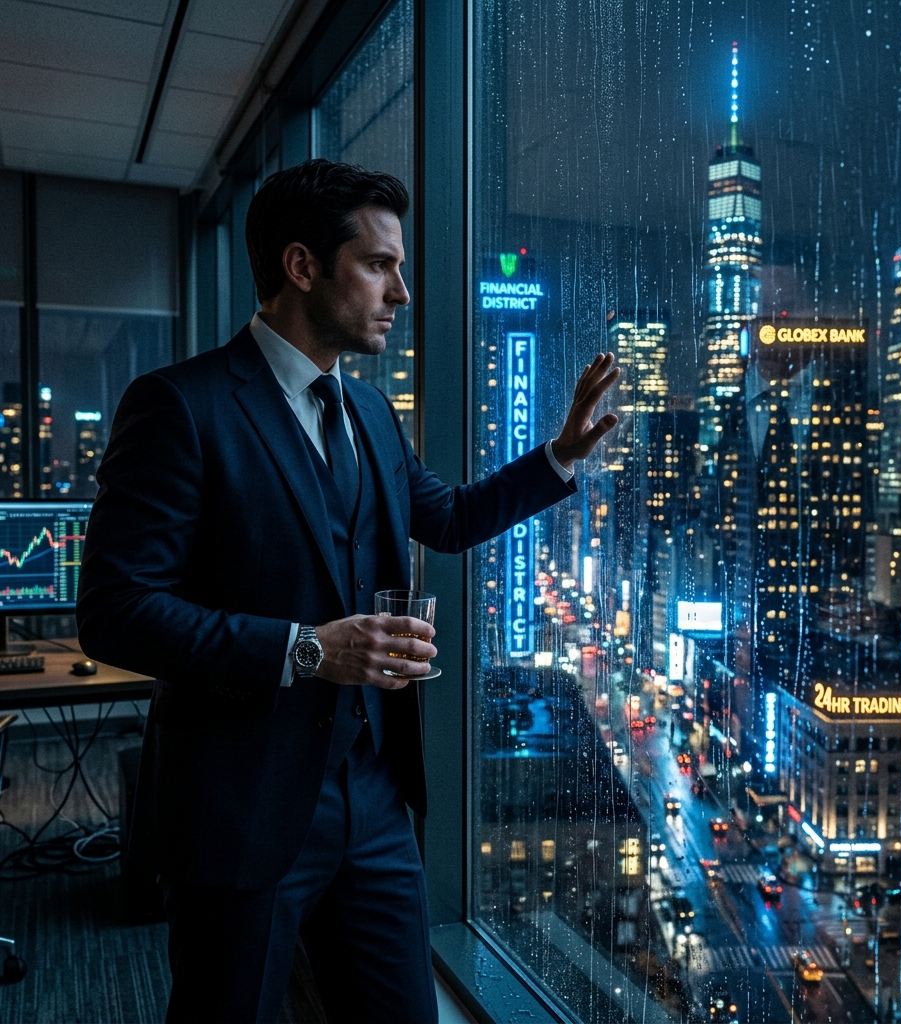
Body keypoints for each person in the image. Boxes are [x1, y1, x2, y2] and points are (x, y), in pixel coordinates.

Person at [76, 159, 619, 1024]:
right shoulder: (180, 406)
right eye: (379, 264)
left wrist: (557, 459)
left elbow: (446, 518)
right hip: (240, 802)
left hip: (372, 796)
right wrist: (307, 649)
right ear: (302, 266)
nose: (401, 291)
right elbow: (115, 610)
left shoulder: (368, 413)